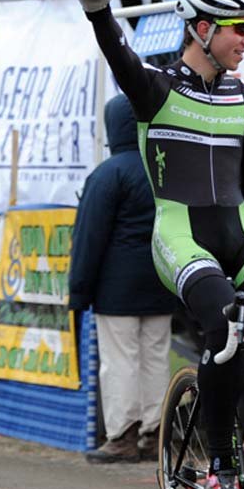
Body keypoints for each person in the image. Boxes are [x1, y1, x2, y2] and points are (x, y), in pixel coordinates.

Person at [73, 0, 244, 489]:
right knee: (224, 323)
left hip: (239, 233)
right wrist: (101, 15)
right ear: (201, 29)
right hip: (179, 234)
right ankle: (219, 463)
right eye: (238, 28)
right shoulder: (156, 90)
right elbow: (120, 59)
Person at [71, 94, 179, 464]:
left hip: (116, 289)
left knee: (120, 361)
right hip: (163, 281)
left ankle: (122, 435)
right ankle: (155, 433)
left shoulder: (107, 174)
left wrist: (78, 291)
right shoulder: (165, 168)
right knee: (155, 357)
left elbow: (89, 238)